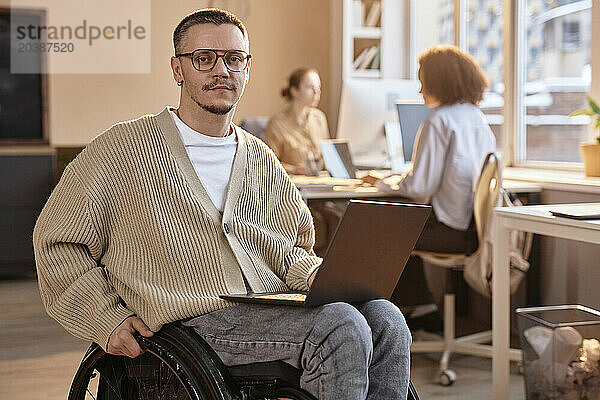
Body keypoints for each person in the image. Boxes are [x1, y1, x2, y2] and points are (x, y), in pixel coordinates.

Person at [33, 8, 412, 399]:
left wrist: (316, 277)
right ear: (178, 70)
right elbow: (57, 241)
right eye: (204, 59)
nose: (221, 70)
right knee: (341, 326)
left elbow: (293, 246)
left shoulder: (261, 157)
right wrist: (105, 316)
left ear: (247, 69)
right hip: (189, 318)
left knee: (386, 318)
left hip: (267, 307)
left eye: (234, 59)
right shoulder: (121, 149)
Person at [368, 45, 496, 322]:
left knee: (376, 228)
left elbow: (419, 188)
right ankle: (423, 307)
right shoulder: (477, 118)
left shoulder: (438, 121)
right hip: (473, 230)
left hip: (448, 230)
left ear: (440, 82)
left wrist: (383, 184)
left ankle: (402, 314)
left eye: (422, 82)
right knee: (399, 221)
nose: (419, 90)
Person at [264, 68, 329, 175]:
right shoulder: (277, 123)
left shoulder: (319, 118)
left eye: (318, 87)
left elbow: (326, 156)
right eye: (310, 87)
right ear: (294, 91)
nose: (317, 92)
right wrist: (294, 170)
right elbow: (268, 163)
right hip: (294, 184)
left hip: (320, 181)